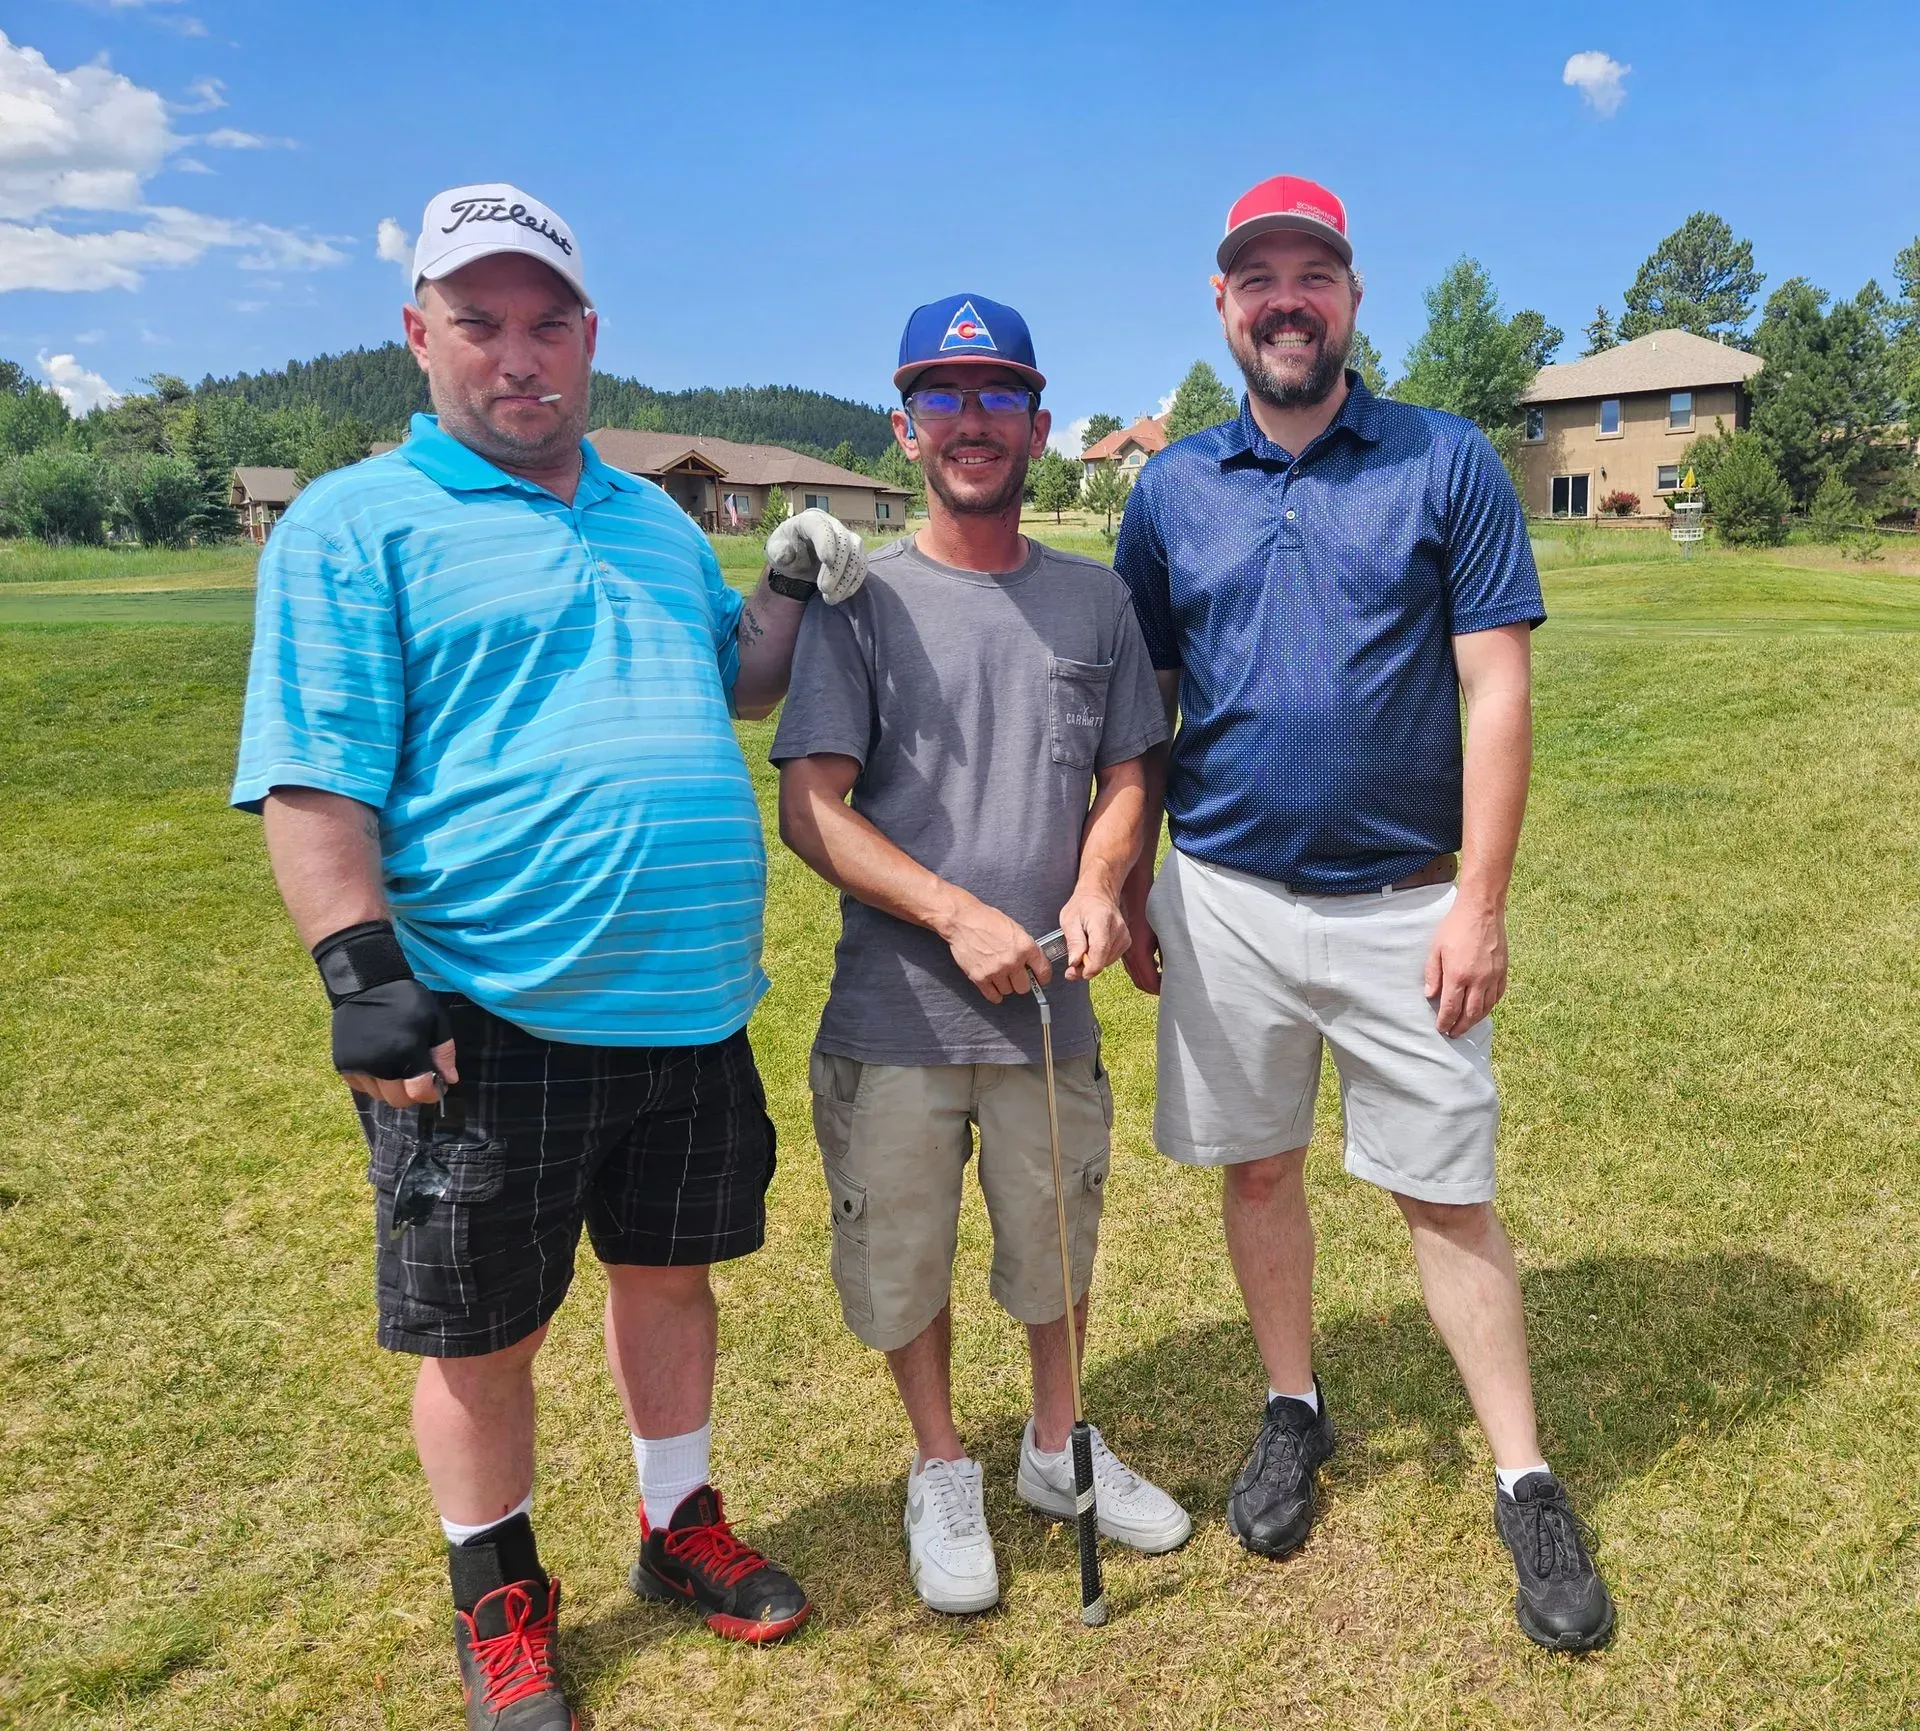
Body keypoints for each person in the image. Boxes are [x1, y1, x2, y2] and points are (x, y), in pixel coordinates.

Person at [233, 183, 865, 1729]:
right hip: (484, 1008)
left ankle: (675, 1525)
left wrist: (782, 587)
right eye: (480, 323)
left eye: (545, 325)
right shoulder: (353, 523)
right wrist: (360, 972)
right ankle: (498, 1591)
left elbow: (738, 686)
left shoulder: (650, 514)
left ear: (590, 337)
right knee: (480, 1326)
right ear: (418, 334)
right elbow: (316, 774)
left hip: (689, 1004)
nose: (518, 357)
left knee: (669, 1278)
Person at [1113, 176, 1615, 1652]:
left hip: (1408, 904)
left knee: (1444, 1190)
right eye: (1255, 275)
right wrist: (1128, 867)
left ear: (1351, 295)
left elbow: (1498, 686)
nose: (1284, 298)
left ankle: (1523, 1473)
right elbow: (1146, 701)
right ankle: (1293, 1406)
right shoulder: (1172, 488)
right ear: (1222, 304)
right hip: (1223, 896)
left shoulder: (1445, 460)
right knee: (1259, 1171)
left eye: (1310, 272)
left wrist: (1481, 899)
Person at [772, 294, 1190, 1616]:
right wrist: (954, 910)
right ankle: (941, 1461)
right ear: (906, 427)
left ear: (1038, 423)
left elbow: (1132, 772)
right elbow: (811, 806)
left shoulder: (1095, 599)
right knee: (904, 1260)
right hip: (895, 1013)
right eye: (943, 399)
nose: (970, 422)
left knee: (1052, 1239)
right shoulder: (861, 602)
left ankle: (1056, 1444)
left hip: (1049, 1015)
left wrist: (1102, 877)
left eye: (996, 396)